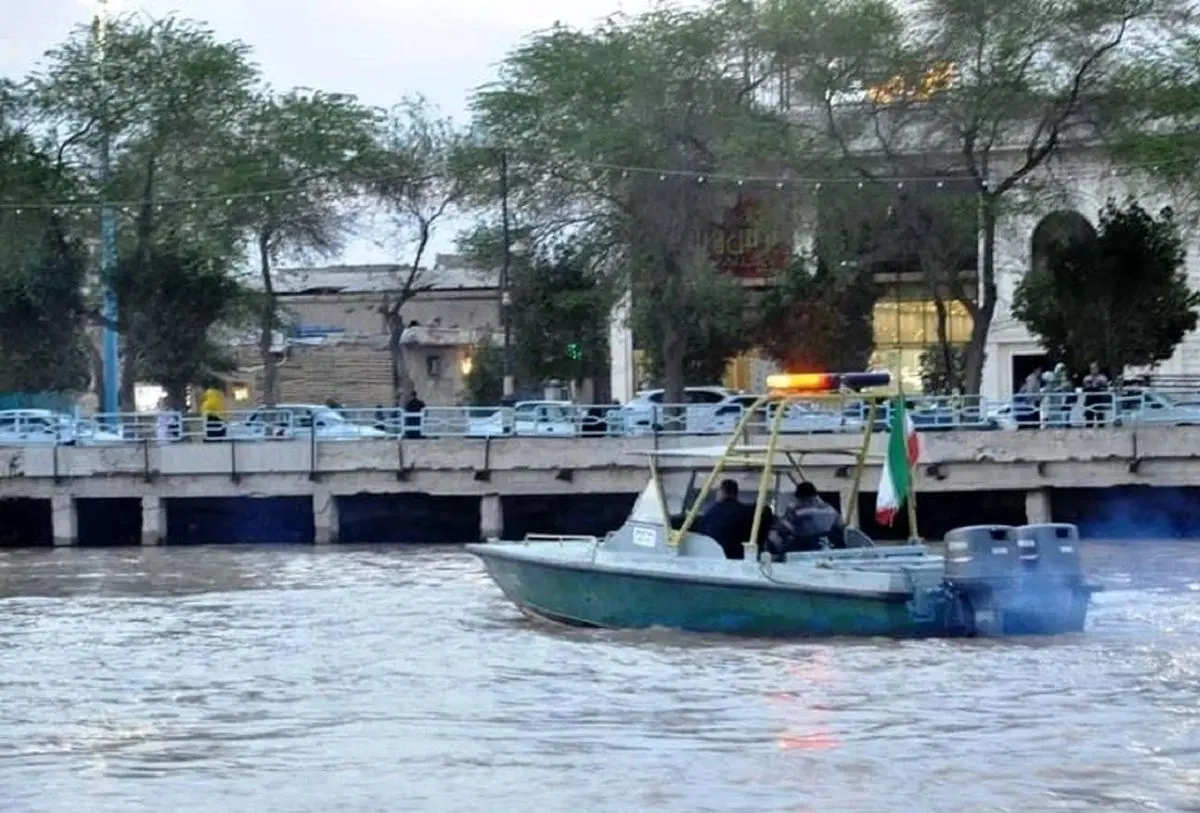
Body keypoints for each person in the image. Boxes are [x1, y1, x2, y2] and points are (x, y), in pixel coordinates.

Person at [767, 481, 845, 560]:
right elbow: (841, 525)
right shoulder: (829, 508)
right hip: (829, 545)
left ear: (798, 496)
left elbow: (784, 528)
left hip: (805, 547)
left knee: (773, 535)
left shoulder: (797, 510)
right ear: (815, 494)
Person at [695, 479, 753, 560]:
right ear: (736, 493)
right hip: (738, 559)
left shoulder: (711, 512)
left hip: (711, 557)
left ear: (722, 491)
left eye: (718, 490)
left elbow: (701, 533)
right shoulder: (747, 512)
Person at [1081, 362, 1110, 427]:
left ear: (1098, 368)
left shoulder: (1102, 378)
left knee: (1100, 418)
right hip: (1089, 399)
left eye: (1095, 368)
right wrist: (1091, 386)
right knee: (1089, 419)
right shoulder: (1086, 378)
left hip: (1099, 399)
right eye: (1092, 368)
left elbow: (1105, 388)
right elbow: (1084, 389)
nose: (1093, 370)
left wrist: (1097, 386)